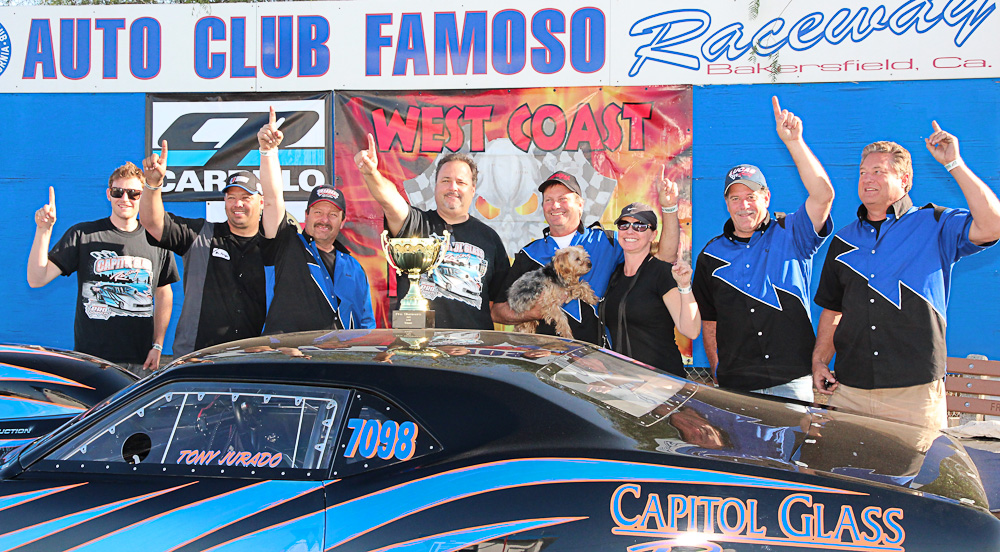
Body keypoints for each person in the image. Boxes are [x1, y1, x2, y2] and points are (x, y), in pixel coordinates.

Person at [812, 121, 1000, 429]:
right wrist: (819, 360)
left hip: (914, 393)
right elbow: (833, 310)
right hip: (850, 391)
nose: (867, 179)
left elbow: (993, 225)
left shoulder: (936, 224)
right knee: (845, 477)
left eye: (878, 172)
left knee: (917, 478)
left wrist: (954, 163)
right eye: (862, 172)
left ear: (905, 179)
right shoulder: (843, 240)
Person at [692, 96, 834, 402]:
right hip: (737, 386)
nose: (743, 205)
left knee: (794, 452)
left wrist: (794, 142)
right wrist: (718, 371)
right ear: (726, 203)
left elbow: (823, 195)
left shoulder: (792, 232)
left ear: (766, 197)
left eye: (751, 196)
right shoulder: (710, 255)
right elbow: (709, 320)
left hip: (793, 379)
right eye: (735, 198)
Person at [139, 108, 285, 356]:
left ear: (260, 203)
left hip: (254, 358)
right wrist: (152, 185)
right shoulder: (201, 235)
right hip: (197, 358)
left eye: (245, 197)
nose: (237, 204)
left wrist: (268, 151)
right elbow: (153, 223)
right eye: (231, 197)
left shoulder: (271, 243)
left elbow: (275, 199)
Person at [491, 169, 680, 344]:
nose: (555, 205)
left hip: (595, 360)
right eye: (548, 200)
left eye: (563, 199)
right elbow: (498, 312)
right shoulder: (529, 254)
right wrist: (533, 312)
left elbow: (665, 256)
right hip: (542, 359)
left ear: (580, 204)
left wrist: (669, 208)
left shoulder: (608, 242)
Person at [27, 163, 179, 374]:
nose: (125, 199)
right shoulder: (84, 234)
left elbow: (164, 293)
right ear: (109, 194)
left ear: (143, 196)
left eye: (134, 194)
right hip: (91, 361)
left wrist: (158, 345)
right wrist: (43, 231)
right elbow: (37, 279)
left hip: (140, 362)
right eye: (118, 192)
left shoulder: (156, 239)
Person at [355, 134, 508, 329]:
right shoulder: (415, 224)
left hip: (471, 353)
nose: (453, 187)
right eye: (445, 180)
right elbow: (389, 200)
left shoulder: (490, 239)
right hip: (417, 351)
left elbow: (497, 305)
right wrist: (371, 173)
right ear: (435, 186)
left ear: (473, 189)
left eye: (461, 182)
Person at [262, 166, 375, 333]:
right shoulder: (285, 246)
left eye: (333, 215)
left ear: (342, 221)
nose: (324, 220)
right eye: (318, 212)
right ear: (306, 215)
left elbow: (367, 324)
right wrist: (268, 152)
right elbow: (272, 200)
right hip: (288, 357)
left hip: (340, 357)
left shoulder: (354, 267)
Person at [599, 203, 700, 377]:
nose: (630, 231)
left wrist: (684, 287)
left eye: (640, 226)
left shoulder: (661, 272)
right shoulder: (613, 274)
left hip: (662, 382)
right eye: (624, 225)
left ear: (653, 234)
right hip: (623, 382)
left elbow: (691, 330)